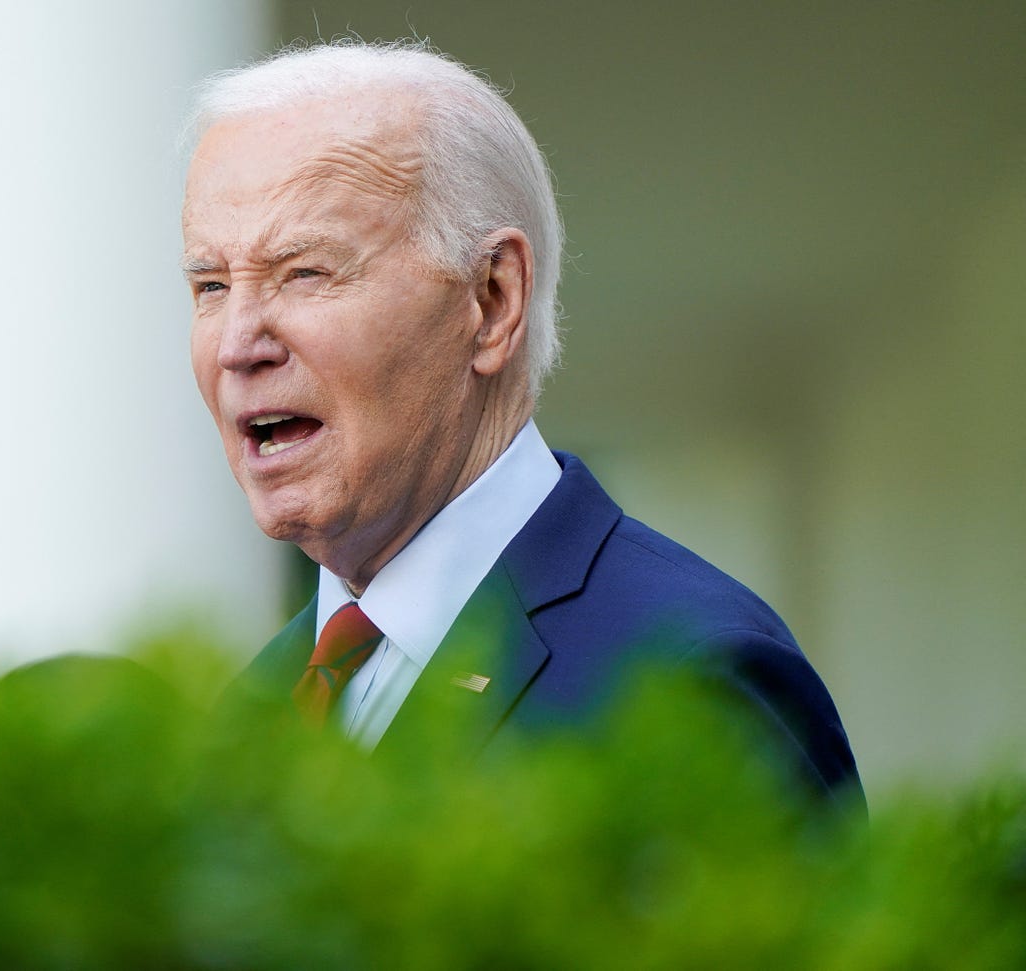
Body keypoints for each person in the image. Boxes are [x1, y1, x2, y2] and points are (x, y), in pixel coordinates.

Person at [181, 40, 862, 807]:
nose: (238, 344)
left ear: (493, 300)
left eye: (305, 272)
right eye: (209, 285)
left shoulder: (694, 680)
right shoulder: (256, 702)